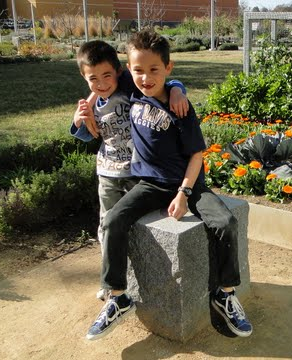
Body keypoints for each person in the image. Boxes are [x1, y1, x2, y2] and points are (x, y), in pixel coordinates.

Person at [85, 29, 253, 341]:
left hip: (189, 185)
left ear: (168, 69)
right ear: (129, 70)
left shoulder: (181, 109)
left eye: (154, 71)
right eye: (138, 70)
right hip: (149, 184)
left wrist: (185, 193)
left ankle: (225, 293)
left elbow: (196, 156)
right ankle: (118, 296)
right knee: (113, 220)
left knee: (225, 222)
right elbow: (100, 80)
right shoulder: (132, 87)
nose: (146, 78)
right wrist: (85, 105)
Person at [71, 40, 189, 301]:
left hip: (137, 174)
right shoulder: (91, 104)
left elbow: (163, 84)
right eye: (93, 79)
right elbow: (85, 135)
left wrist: (179, 91)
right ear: (84, 77)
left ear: (119, 72)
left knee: (137, 226)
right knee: (108, 225)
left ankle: (142, 278)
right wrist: (81, 116)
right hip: (108, 174)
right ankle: (109, 280)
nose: (102, 83)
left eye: (107, 76)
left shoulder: (128, 87)